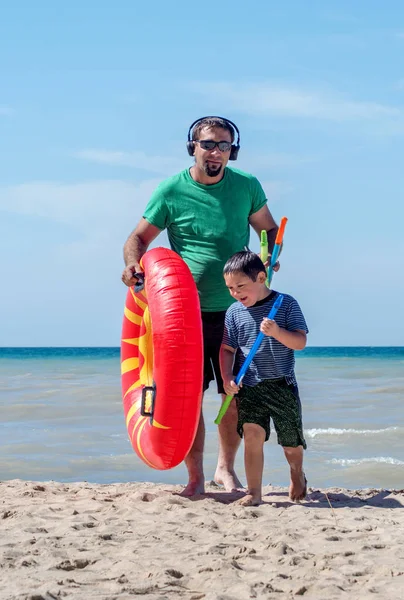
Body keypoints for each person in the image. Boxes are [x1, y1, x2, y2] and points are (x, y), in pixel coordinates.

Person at [121, 116, 280, 496]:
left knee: (233, 393)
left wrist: (268, 255)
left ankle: (224, 470)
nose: (216, 152)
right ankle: (195, 477)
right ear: (193, 146)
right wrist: (131, 264)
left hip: (238, 310)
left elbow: (268, 230)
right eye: (209, 144)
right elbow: (138, 238)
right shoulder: (171, 190)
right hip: (184, 314)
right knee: (187, 396)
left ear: (233, 151)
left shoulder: (247, 187)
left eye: (224, 146)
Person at [220, 250, 308, 506]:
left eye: (240, 286)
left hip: (282, 383)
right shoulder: (234, 313)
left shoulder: (285, 303)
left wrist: (278, 332)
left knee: (291, 442)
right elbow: (227, 349)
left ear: (261, 277)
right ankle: (254, 492)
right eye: (230, 288)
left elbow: (300, 341)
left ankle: (296, 473)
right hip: (251, 386)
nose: (235, 293)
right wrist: (227, 376)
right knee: (252, 435)